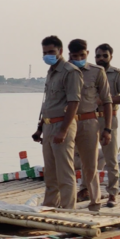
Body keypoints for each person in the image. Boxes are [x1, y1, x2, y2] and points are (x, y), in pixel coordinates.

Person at [32, 35, 83, 209]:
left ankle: (68, 209)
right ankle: (50, 206)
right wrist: (39, 128)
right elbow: (47, 103)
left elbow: (73, 103)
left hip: (62, 125)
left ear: (60, 51)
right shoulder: (51, 72)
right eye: (45, 52)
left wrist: (63, 130)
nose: (48, 55)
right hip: (47, 125)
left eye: (51, 52)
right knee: (51, 172)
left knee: (65, 171)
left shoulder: (70, 72)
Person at [67, 39, 112, 212]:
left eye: (82, 54)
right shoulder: (63, 71)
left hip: (88, 122)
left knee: (90, 165)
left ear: (87, 53)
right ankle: (67, 204)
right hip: (65, 123)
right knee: (65, 165)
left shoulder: (97, 72)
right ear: (69, 55)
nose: (79, 58)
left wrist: (107, 129)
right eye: (75, 55)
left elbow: (107, 101)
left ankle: (95, 204)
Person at [94, 43, 120, 207]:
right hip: (89, 119)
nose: (101, 59)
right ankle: (86, 189)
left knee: (110, 158)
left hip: (108, 119)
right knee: (88, 158)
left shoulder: (117, 74)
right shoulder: (90, 73)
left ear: (110, 57)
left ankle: (112, 194)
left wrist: (106, 100)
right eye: (98, 56)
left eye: (104, 56)